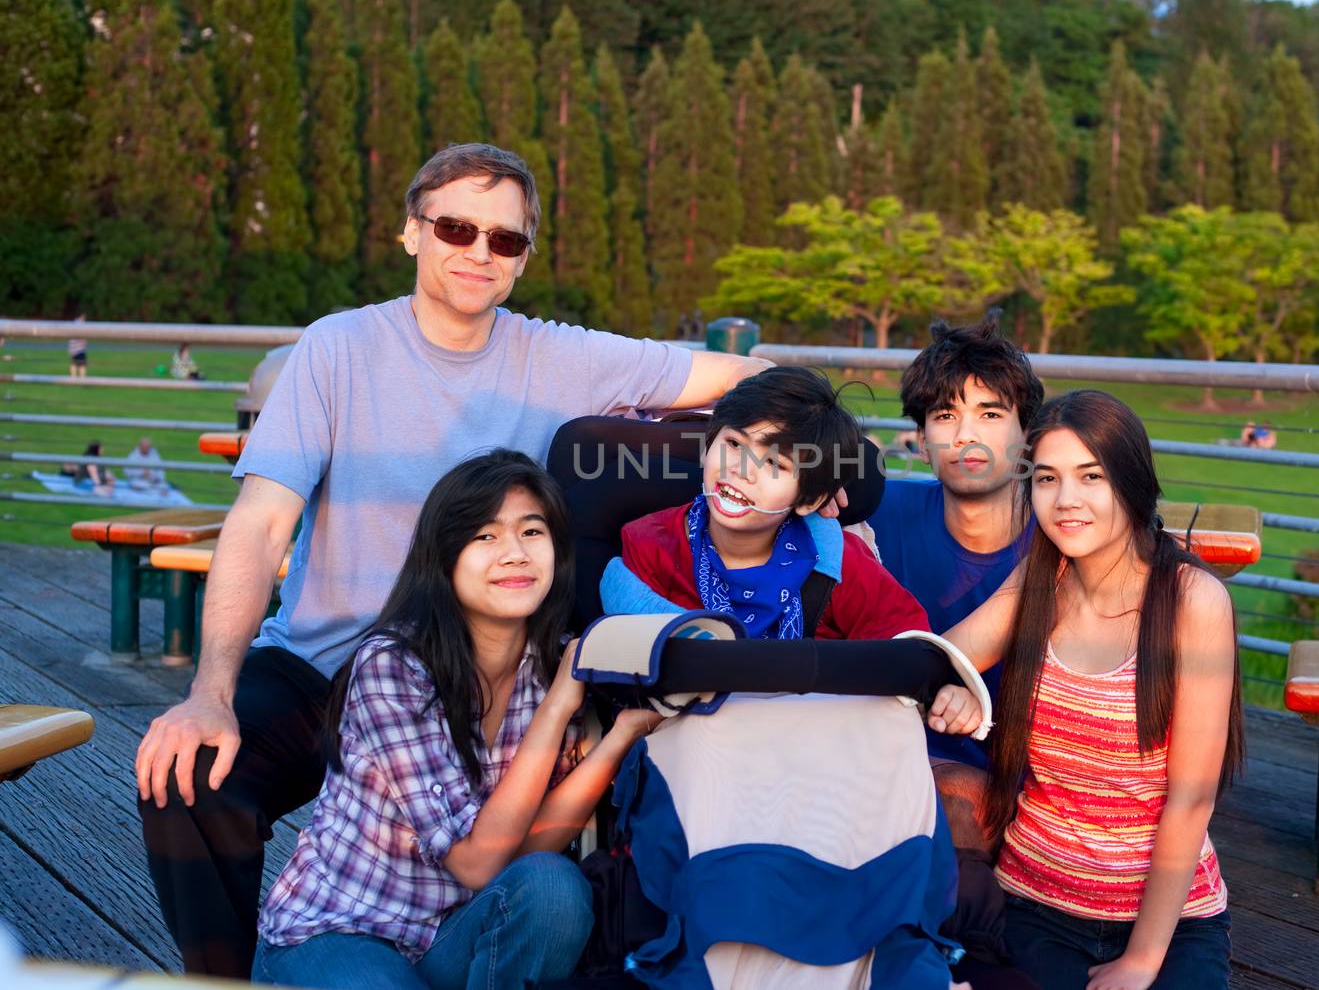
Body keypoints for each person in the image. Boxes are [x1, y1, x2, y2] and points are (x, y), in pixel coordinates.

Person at [134, 142, 771, 978]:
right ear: (412, 232)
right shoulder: (336, 349)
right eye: (457, 227)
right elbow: (258, 524)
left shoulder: (558, 356)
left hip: (471, 680)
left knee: (542, 867)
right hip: (324, 666)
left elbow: (741, 373)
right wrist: (210, 692)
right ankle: (224, 977)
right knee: (188, 775)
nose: (479, 251)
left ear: (522, 260)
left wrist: (799, 452)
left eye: (504, 240)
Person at [253, 450, 654, 989]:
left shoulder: (556, 664)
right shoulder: (394, 666)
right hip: (342, 929)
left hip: (456, 931)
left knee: (554, 887)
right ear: (444, 558)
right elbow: (476, 864)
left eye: (532, 532)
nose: (514, 553)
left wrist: (616, 739)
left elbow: (527, 849)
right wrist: (558, 707)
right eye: (485, 536)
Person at [929, 391, 1244, 990]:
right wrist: (962, 683)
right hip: (1032, 902)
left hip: (1167, 923)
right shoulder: (1041, 579)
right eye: (1046, 479)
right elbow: (941, 657)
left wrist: (1141, 963)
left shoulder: (1193, 603)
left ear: (1130, 482)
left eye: (1090, 476)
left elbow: (1191, 800)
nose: (1066, 500)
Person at [600, 366, 929, 640]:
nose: (742, 470)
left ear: (810, 499)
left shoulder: (839, 565)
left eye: (775, 464)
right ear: (706, 447)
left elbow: (908, 643)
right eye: (733, 443)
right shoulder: (650, 546)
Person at [869, 319, 1043, 794]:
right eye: (946, 416)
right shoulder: (877, 516)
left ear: (1027, 436)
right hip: (887, 758)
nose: (966, 434)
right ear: (922, 442)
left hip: (1019, 787)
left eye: (990, 414)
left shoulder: (1061, 537)